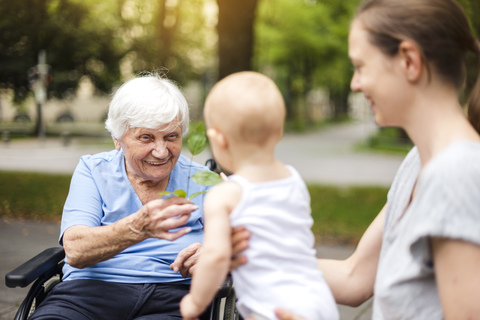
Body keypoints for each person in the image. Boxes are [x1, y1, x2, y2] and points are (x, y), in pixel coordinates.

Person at [235, 0, 480, 319]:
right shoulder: (418, 162)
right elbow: (355, 277)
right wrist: (243, 258)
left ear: (408, 60)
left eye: (361, 66)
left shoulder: (457, 173)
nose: (354, 83)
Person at [30, 74, 212, 320]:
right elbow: (75, 250)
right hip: (88, 294)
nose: (161, 152)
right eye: (146, 137)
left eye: (171, 136)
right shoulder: (94, 171)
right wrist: (137, 228)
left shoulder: (202, 180)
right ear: (118, 139)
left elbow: (241, 245)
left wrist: (214, 253)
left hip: (173, 296)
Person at [179, 71, 339, 320]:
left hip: (270, 307)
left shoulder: (223, 197)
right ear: (279, 131)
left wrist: (194, 302)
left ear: (218, 140)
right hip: (318, 301)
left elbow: (216, 256)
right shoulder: (294, 180)